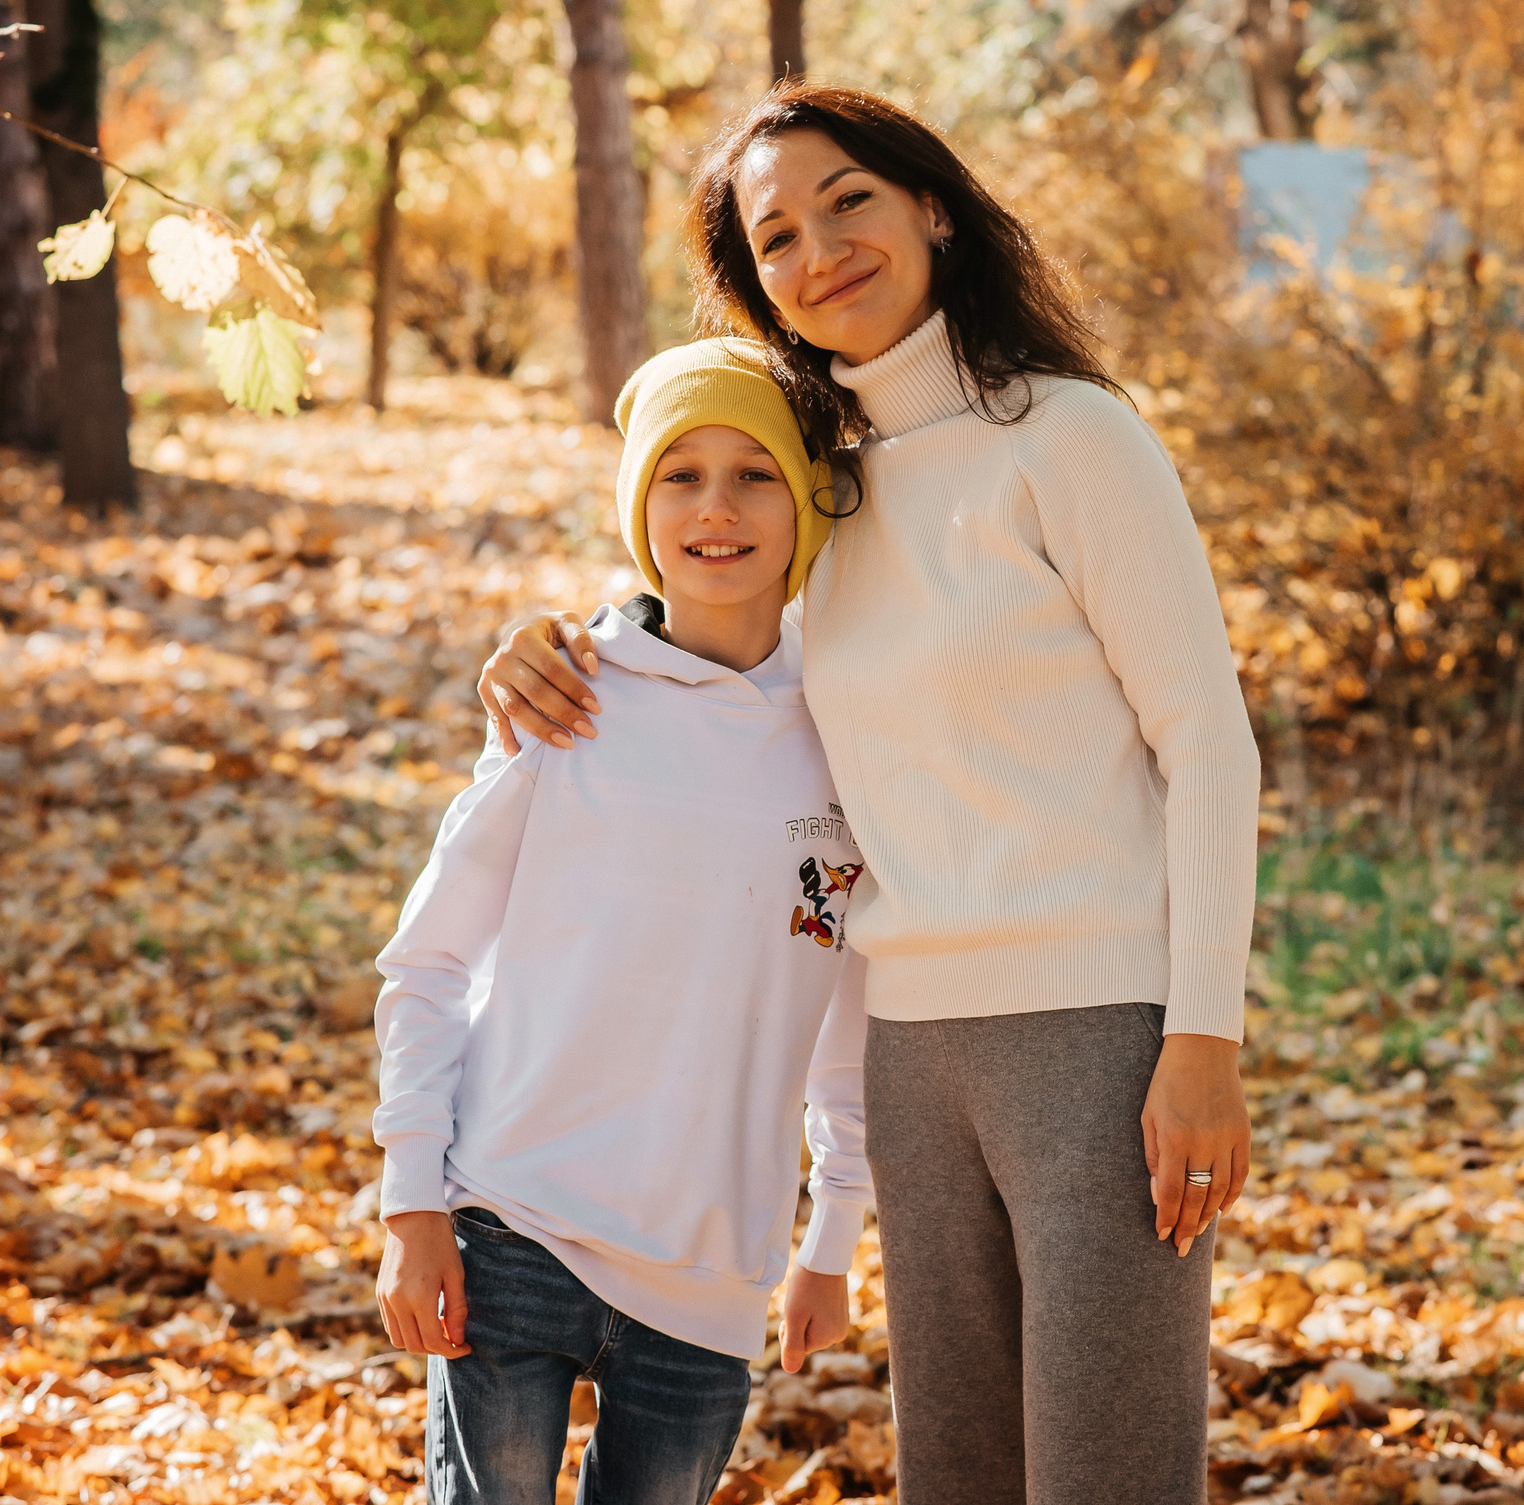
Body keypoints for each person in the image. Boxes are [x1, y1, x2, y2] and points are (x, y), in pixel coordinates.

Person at [478, 82, 1260, 1505]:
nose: (821, 249)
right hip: (912, 1047)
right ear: (758, 288)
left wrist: (1204, 1033)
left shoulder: (1068, 439)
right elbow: (711, 610)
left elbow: (1207, 738)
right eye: (776, 238)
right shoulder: (825, 488)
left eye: (849, 202)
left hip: (1098, 1034)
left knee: (1108, 1471)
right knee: (956, 1473)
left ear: (932, 209)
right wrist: (551, 647)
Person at [373, 339, 872, 1505]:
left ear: (804, 502)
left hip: (708, 1273)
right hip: (512, 1223)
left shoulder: (852, 730)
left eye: (753, 473)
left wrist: (831, 1230)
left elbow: (854, 1008)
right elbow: (431, 957)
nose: (715, 508)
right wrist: (410, 1200)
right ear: (638, 505)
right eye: (677, 474)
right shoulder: (567, 693)